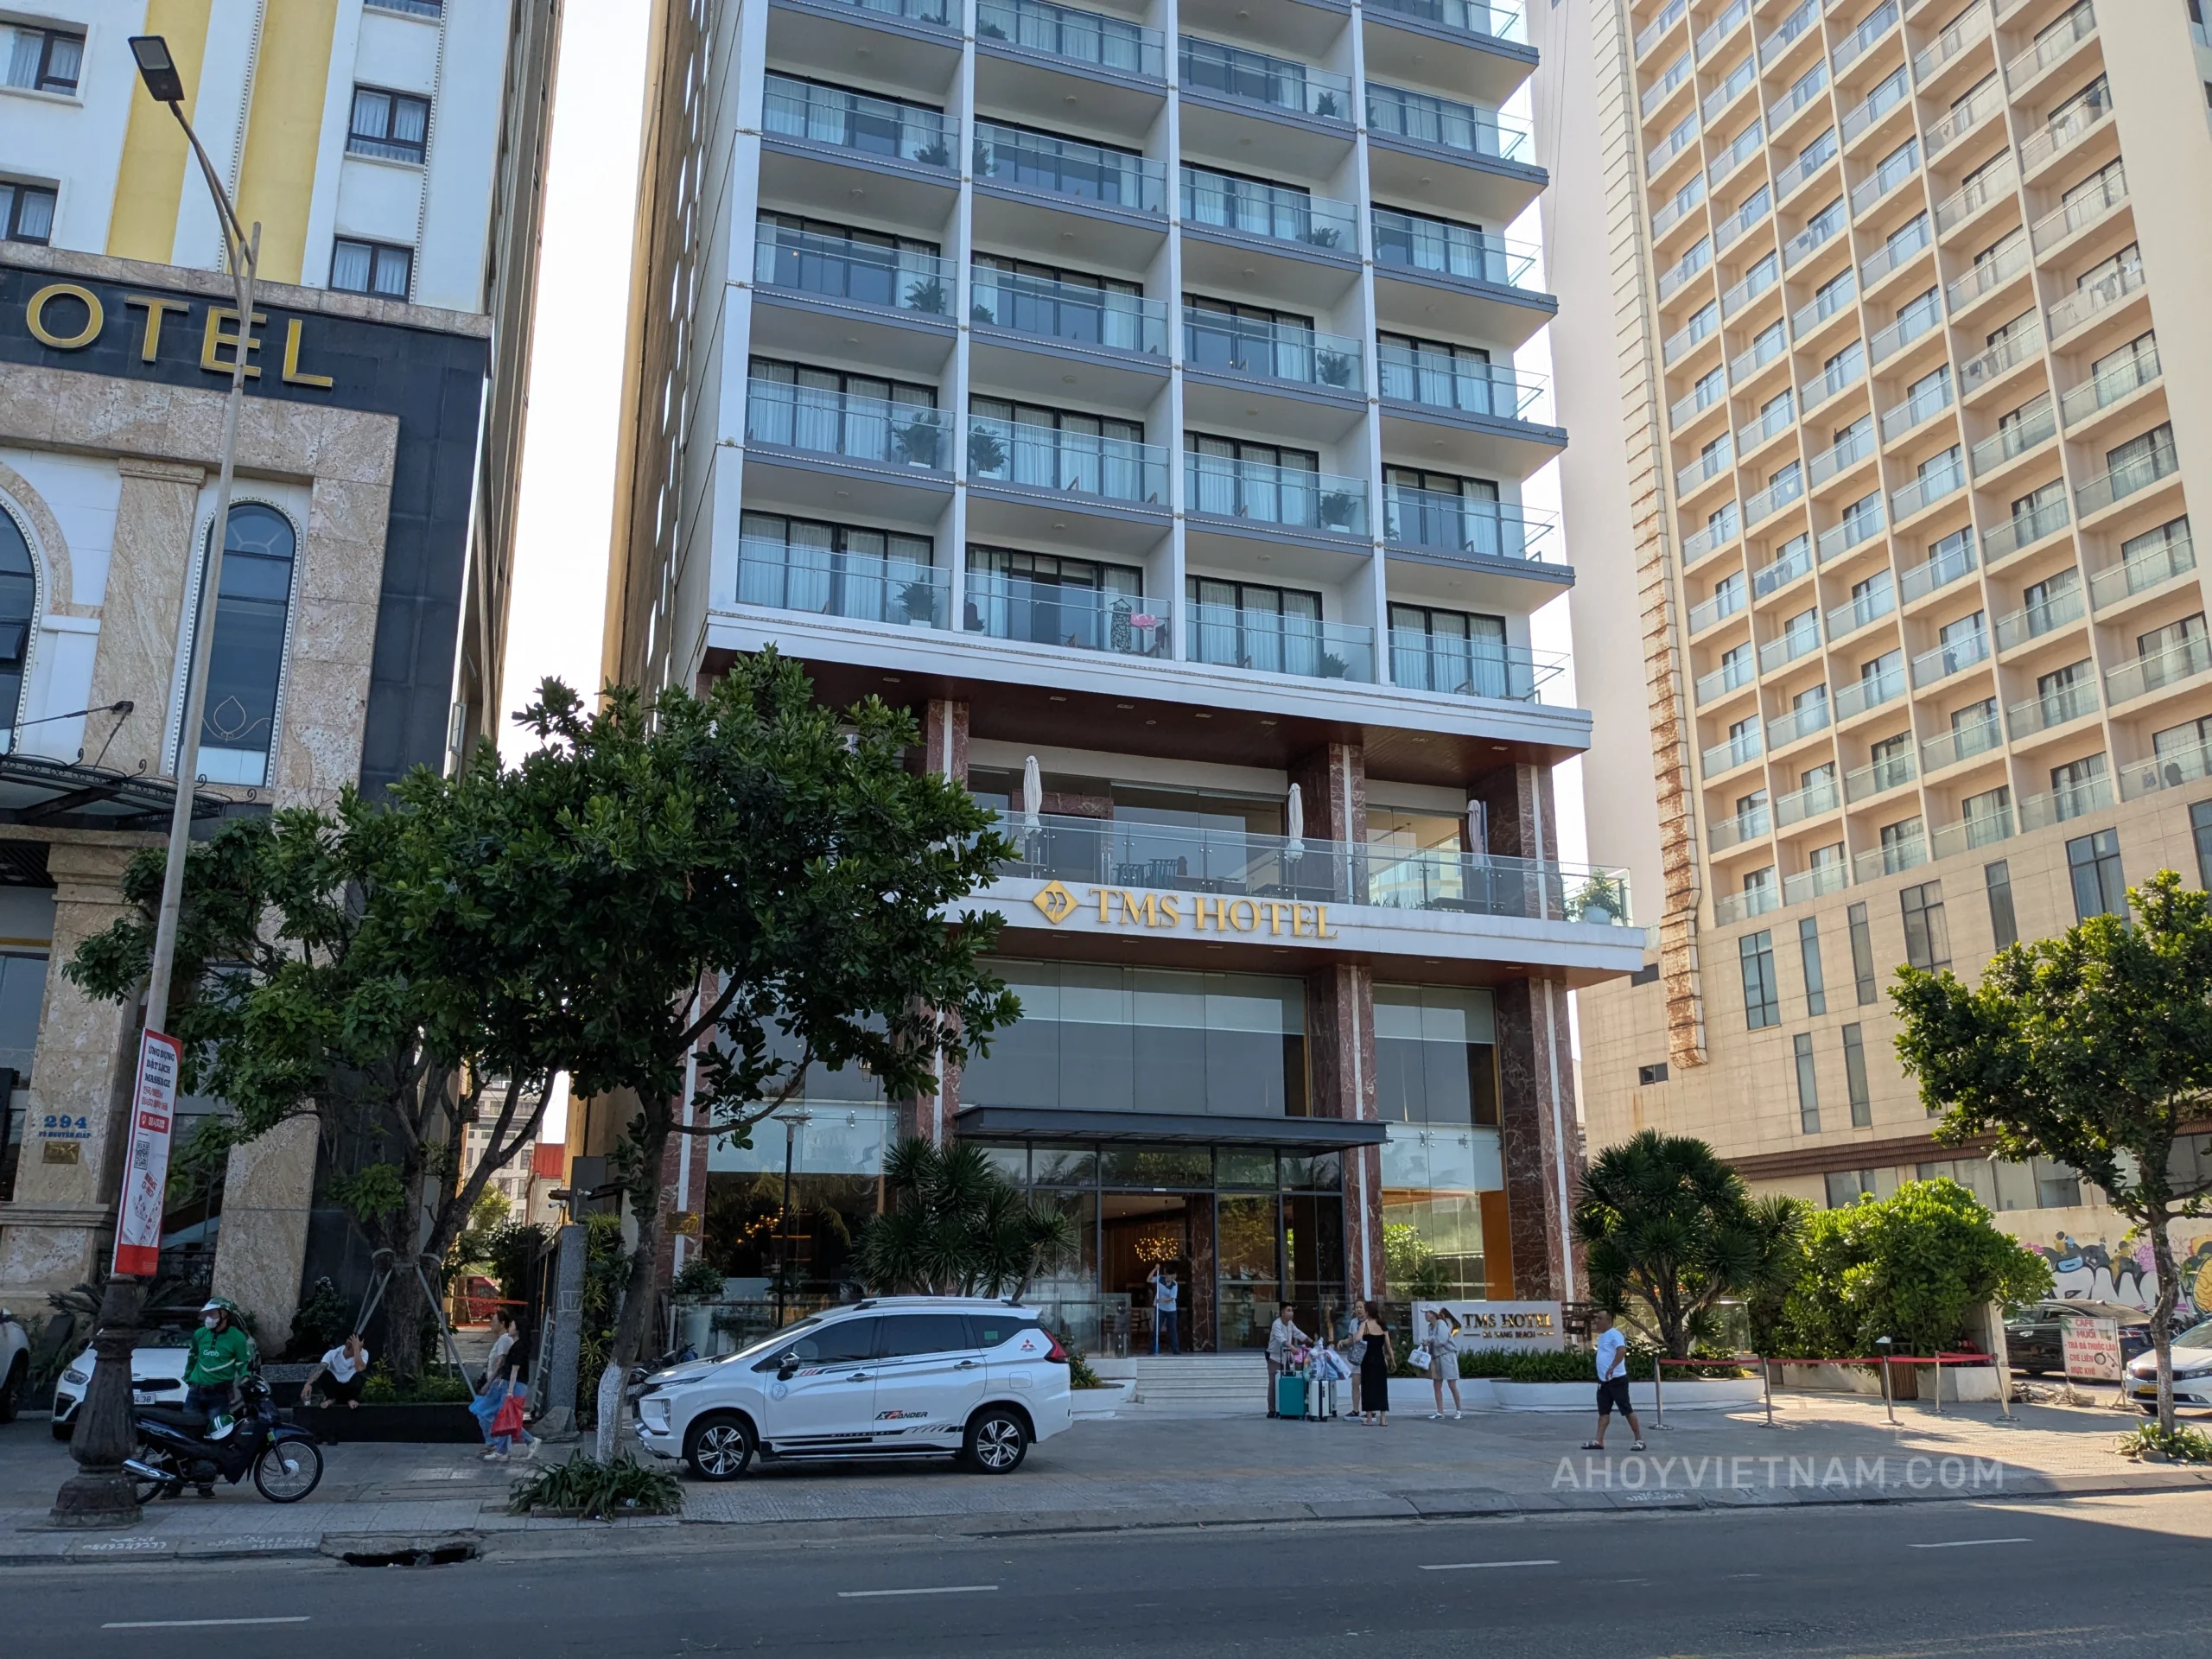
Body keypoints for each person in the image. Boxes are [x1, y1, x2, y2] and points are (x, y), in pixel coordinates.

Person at [183, 1298, 257, 1440]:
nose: (208, 1318)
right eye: (207, 1314)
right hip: (195, 1393)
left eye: (213, 1314)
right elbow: (192, 1357)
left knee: (217, 1435)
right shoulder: (200, 1334)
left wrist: (246, 1378)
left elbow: (243, 1363)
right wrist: (188, 1378)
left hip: (219, 1395)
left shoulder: (237, 1337)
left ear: (224, 1314)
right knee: (187, 1434)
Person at [474, 1308, 537, 1462]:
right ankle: (504, 1449)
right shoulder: (516, 1345)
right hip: (511, 1385)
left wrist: (508, 1390)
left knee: (506, 1418)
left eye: (512, 1326)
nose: (510, 1327)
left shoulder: (517, 1347)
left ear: (518, 1329)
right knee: (505, 1418)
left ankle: (519, 1444)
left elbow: (513, 1369)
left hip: (513, 1386)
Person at [1584, 1309, 1646, 1452]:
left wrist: (1612, 1367)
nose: (1596, 1321)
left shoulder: (1615, 1334)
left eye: (1599, 1318)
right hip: (1604, 1382)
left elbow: (1622, 1351)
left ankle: (1639, 1439)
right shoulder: (1602, 1337)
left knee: (1626, 1410)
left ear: (1608, 1321)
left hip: (1617, 1380)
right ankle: (1598, 1440)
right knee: (1603, 1412)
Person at [301, 1332, 372, 1409]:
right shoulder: (333, 1353)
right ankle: (331, 1399)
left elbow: (360, 1368)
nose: (350, 1344)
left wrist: (357, 1350)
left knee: (360, 1376)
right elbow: (322, 1366)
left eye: (354, 1343)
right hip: (335, 1386)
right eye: (349, 1341)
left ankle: (351, 1399)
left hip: (350, 1386)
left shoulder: (363, 1353)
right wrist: (308, 1384)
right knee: (324, 1373)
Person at [1265, 1303, 1309, 1417]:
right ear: (1282, 1312)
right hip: (1275, 1358)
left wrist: (1310, 1341)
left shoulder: (1290, 1324)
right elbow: (1281, 1340)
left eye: (1292, 1310)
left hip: (1286, 1359)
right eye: (1288, 1310)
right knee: (1274, 1383)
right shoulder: (1277, 1324)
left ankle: (1286, 1407)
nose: (1291, 1313)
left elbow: (1298, 1333)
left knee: (1287, 1383)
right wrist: (1292, 1347)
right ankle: (1272, 1409)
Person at [1355, 1300, 1392, 1427]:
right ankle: (1383, 1419)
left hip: (1367, 1360)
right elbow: (1388, 1345)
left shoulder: (1365, 1325)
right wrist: (1392, 1359)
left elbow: (1357, 1339)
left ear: (1367, 1311)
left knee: (1368, 1388)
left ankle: (1369, 1419)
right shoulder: (1383, 1325)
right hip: (1380, 1360)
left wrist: (1362, 1328)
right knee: (1381, 1388)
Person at [1425, 1306, 1463, 1421]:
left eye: (1427, 1313)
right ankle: (1440, 1411)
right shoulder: (1430, 1327)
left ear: (1433, 1314)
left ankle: (1459, 1410)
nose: (1425, 1315)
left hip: (1447, 1355)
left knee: (1452, 1384)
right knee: (1436, 1384)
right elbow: (1433, 1343)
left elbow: (1441, 1341)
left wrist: (1430, 1339)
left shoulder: (1441, 1324)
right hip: (1436, 1357)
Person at [1147, 1265, 1179, 1356]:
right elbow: (1148, 1279)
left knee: (1172, 1330)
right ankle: (1152, 1349)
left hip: (1171, 1311)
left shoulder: (1174, 1284)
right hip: (1160, 1309)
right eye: (1171, 1276)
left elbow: (1171, 1298)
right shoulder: (1160, 1278)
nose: (1173, 1278)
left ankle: (1175, 1350)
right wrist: (1155, 1269)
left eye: (1174, 1277)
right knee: (1156, 1329)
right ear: (1167, 1275)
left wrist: (1160, 1300)